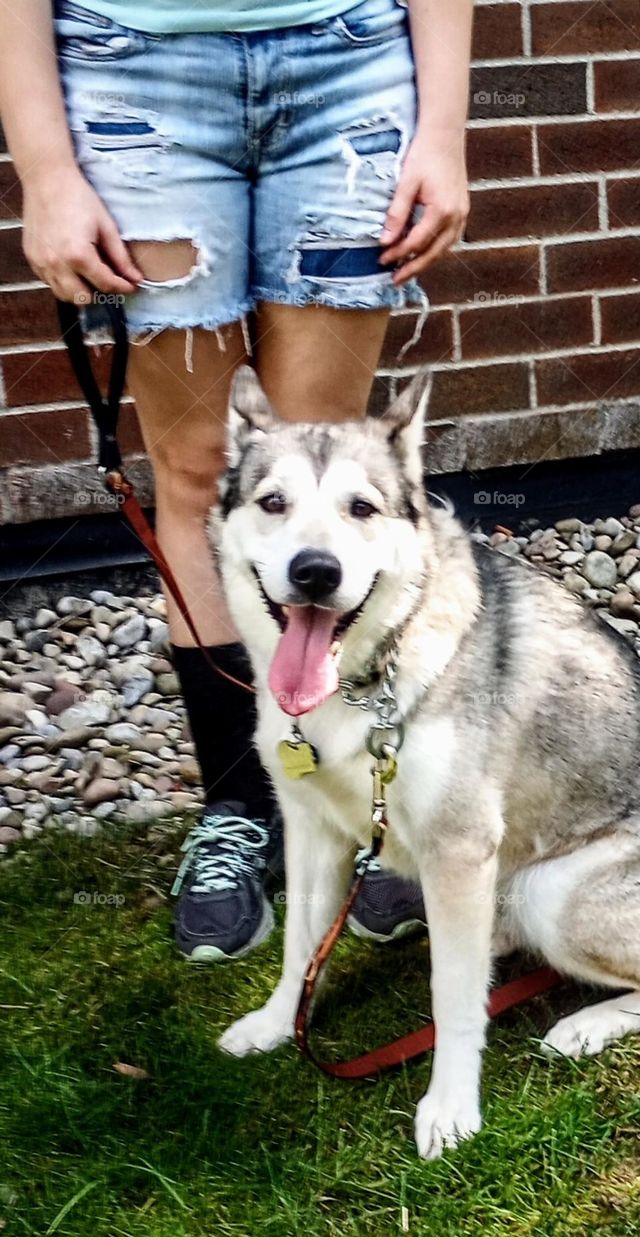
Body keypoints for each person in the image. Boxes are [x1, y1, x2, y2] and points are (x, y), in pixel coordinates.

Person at [0, 0, 469, 959]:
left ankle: (361, 796)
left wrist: (445, 130)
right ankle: (242, 809)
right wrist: (46, 171)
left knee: (319, 467)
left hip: (347, 70)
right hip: (135, 81)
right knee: (200, 471)